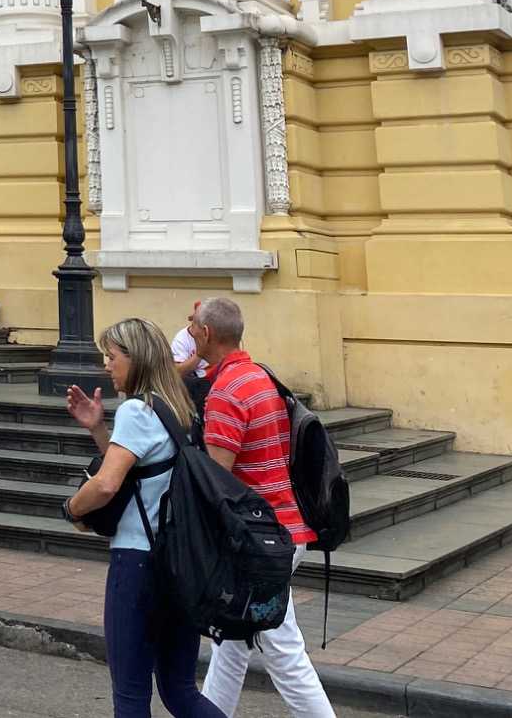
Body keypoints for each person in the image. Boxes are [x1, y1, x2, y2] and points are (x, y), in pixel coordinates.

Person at [61, 317, 224, 718]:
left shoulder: (136, 410)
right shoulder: (178, 408)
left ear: (136, 358)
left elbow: (107, 485)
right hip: (177, 564)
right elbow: (144, 472)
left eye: (112, 356)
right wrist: (99, 429)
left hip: (137, 564)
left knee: (131, 697)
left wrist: (70, 508)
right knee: (181, 692)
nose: (107, 364)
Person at [188, 298, 338, 718]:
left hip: (259, 542)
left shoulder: (225, 392)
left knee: (283, 651)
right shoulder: (259, 377)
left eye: (193, 325)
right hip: (281, 529)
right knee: (232, 641)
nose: (189, 332)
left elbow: (218, 483)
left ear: (207, 333)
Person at [170, 303, 213, 411]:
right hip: (194, 385)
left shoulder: (216, 334)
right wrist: (199, 354)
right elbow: (177, 372)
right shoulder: (182, 338)